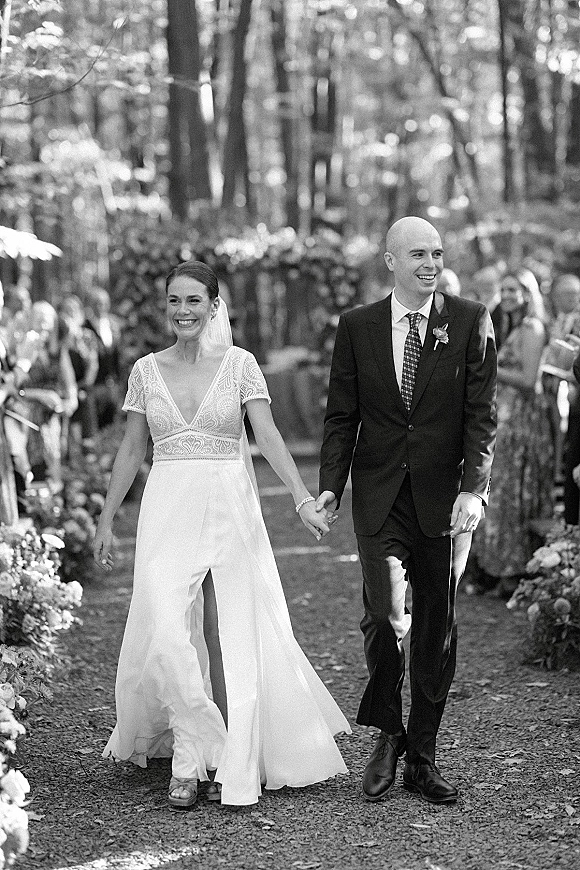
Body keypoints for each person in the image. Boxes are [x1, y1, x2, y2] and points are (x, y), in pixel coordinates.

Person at [93, 260, 350, 808]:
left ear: (214, 306)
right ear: (166, 308)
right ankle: (198, 741)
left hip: (229, 504)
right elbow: (132, 448)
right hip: (167, 505)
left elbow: (269, 436)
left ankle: (223, 757)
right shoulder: (145, 370)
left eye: (193, 301)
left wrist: (303, 499)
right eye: (173, 301)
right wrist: (106, 517)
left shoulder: (240, 365)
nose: (183, 311)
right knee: (164, 628)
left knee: (230, 625)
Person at [316, 217, 497, 805]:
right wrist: (330, 489)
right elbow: (342, 415)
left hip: (444, 500)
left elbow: (481, 417)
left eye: (437, 253)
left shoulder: (469, 321)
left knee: (436, 627)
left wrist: (475, 488)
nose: (430, 262)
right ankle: (389, 732)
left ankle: (422, 755)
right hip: (379, 493)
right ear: (390, 260)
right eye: (417, 253)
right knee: (384, 618)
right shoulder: (358, 327)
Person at [472, 271, 552, 595]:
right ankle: (499, 571)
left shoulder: (532, 328)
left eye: (513, 289)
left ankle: (515, 572)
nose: (505, 295)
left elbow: (530, 379)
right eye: (503, 289)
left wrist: (488, 365)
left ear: (527, 293)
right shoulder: (511, 326)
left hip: (523, 424)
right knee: (501, 497)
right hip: (505, 421)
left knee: (513, 497)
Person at [58, 295, 99, 448]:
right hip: (63, 389)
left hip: (83, 388)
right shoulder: (59, 338)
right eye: (66, 311)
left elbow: (93, 365)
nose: (70, 314)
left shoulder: (87, 336)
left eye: (73, 311)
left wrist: (80, 387)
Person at [84, 287, 122, 429]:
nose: (101, 307)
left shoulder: (113, 324)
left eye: (104, 303)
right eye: (98, 303)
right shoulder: (85, 327)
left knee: (112, 420)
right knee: (95, 422)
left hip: (112, 382)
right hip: (95, 385)